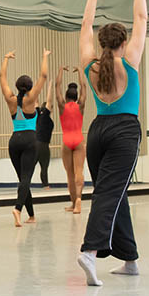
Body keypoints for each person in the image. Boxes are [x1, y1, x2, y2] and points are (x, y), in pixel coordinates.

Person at [75, 0, 149, 286]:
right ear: (123, 42)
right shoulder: (129, 61)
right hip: (124, 130)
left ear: (103, 42)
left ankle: (129, 259)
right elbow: (142, 19)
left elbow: (85, 25)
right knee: (109, 192)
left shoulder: (90, 64)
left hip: (98, 131)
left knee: (116, 192)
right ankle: (90, 251)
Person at [0, 48, 51, 227]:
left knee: (23, 179)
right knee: (26, 178)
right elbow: (43, 76)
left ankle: (31, 215)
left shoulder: (11, 99)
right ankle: (17, 208)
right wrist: (44, 56)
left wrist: (6, 58)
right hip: (30, 140)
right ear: (30, 87)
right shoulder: (31, 100)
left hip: (14, 141)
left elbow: (1, 77)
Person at [56, 66, 87, 213]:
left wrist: (61, 70)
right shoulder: (81, 105)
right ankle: (79, 199)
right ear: (76, 96)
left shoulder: (62, 106)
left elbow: (57, 86)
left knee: (70, 174)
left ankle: (74, 203)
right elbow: (84, 86)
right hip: (79, 140)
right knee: (79, 172)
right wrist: (81, 71)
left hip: (67, 140)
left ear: (67, 96)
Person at [35, 88, 54, 189]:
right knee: (44, 166)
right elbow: (49, 100)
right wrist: (50, 84)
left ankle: (23, 183)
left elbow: (36, 101)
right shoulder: (45, 116)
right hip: (43, 145)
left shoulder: (38, 115)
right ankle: (45, 185)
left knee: (30, 166)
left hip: (34, 144)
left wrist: (36, 89)